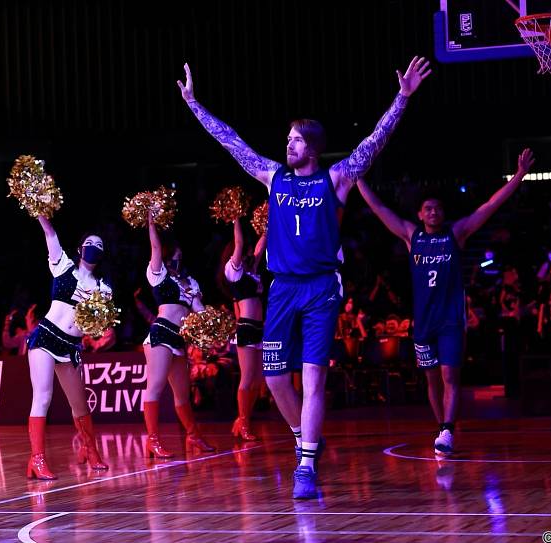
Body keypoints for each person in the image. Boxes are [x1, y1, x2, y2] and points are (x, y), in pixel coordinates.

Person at [178, 56, 431, 498]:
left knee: (312, 378)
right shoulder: (274, 177)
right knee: (273, 379)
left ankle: (306, 469)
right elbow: (231, 142)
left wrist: (402, 97)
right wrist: (194, 104)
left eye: (295, 140)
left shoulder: (335, 179)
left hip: (320, 290)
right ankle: (304, 440)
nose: (288, 144)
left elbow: (375, 141)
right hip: (281, 289)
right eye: (288, 139)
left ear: (311, 148)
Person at [355, 148, 535, 456]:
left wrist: (518, 175)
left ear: (443, 213)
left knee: (450, 375)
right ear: (420, 214)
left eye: (437, 208)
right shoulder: (411, 236)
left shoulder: (457, 233)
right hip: (423, 321)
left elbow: (491, 205)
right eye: (428, 209)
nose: (433, 212)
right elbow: (380, 208)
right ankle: (442, 428)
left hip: (451, 319)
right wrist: (358, 180)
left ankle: (448, 429)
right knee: (431, 379)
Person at [24, 218, 110, 479]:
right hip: (46, 337)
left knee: (79, 403)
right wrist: (41, 210)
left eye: (100, 245)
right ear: (79, 248)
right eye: (90, 243)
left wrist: (97, 331)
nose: (94, 247)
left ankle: (90, 449)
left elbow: (99, 326)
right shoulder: (62, 265)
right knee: (43, 397)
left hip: (71, 345)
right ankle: (37, 460)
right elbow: (50, 232)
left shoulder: (102, 288)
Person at [142, 216, 214, 459]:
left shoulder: (189, 282)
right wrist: (152, 224)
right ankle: (152, 440)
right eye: (174, 255)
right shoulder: (159, 275)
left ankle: (193, 435)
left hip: (179, 339)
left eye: (181, 256)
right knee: (155, 387)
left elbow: (200, 309)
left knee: (182, 393)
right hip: (161, 333)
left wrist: (213, 325)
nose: (178, 259)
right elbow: (154, 248)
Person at [222, 218, 267, 441]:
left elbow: (261, 247)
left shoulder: (252, 272)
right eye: (245, 251)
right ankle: (244, 422)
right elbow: (238, 243)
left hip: (260, 328)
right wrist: (236, 218)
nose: (249, 253)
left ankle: (242, 420)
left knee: (258, 381)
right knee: (247, 378)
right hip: (247, 328)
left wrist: (268, 226)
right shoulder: (234, 271)